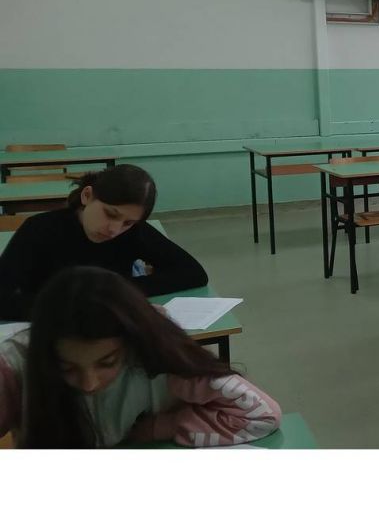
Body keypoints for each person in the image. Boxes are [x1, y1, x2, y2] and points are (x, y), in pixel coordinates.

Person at [0, 266, 280, 448]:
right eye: (66, 367)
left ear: (130, 344)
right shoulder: (14, 365)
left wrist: (162, 427)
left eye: (107, 362)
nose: (89, 383)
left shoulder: (160, 358)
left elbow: (262, 416)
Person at [0, 165, 207, 322]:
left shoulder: (134, 232)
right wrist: (84, 306)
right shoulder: (39, 229)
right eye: (110, 214)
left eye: (128, 222)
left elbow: (193, 273)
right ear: (87, 196)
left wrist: (121, 294)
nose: (114, 230)